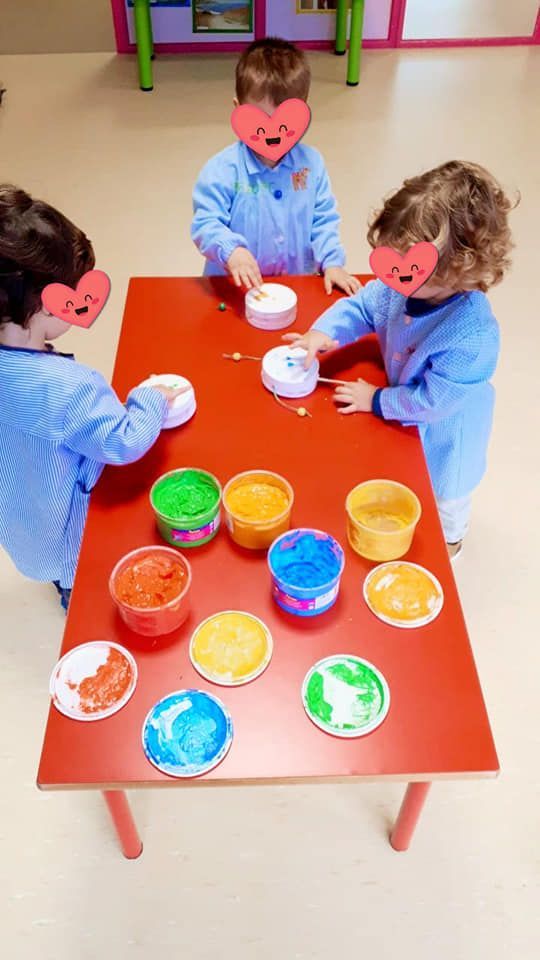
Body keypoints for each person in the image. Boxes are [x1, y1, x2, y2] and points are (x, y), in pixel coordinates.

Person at [286, 161, 516, 557]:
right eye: (389, 265)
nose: (391, 279)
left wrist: (374, 399)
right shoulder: (401, 286)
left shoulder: (472, 337)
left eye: (406, 272)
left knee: (445, 503)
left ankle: (451, 545)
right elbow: (363, 305)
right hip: (406, 421)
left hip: (445, 438)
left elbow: (431, 402)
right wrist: (325, 332)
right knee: (401, 480)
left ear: (460, 273)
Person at [0, 185, 184, 609]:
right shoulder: (72, 388)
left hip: (22, 525)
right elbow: (122, 441)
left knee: (45, 552)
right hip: (69, 538)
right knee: (80, 584)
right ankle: (75, 597)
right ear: (46, 307)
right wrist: (150, 397)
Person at [191, 37, 359, 296]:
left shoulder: (311, 165)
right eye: (260, 122)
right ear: (238, 110)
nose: (271, 135)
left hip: (296, 286)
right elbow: (206, 223)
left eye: (283, 124)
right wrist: (231, 250)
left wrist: (332, 262)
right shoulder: (221, 171)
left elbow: (323, 220)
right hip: (235, 288)